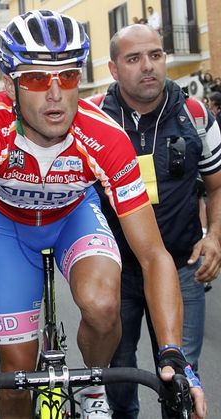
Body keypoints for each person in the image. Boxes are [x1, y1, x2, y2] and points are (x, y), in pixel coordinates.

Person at [0, 10, 206, 419]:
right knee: (16, 376)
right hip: (12, 231)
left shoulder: (105, 135)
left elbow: (153, 255)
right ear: (9, 84)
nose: (55, 94)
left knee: (104, 303)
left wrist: (174, 356)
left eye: (68, 77)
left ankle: (93, 386)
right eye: (37, 79)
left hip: (73, 219)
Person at [93, 23, 221, 419]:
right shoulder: (94, 118)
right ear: (114, 69)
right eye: (134, 59)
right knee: (118, 379)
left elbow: (217, 187)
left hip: (181, 267)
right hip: (115, 272)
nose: (147, 66)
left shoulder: (196, 114)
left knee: (181, 381)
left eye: (155, 55)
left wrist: (215, 236)